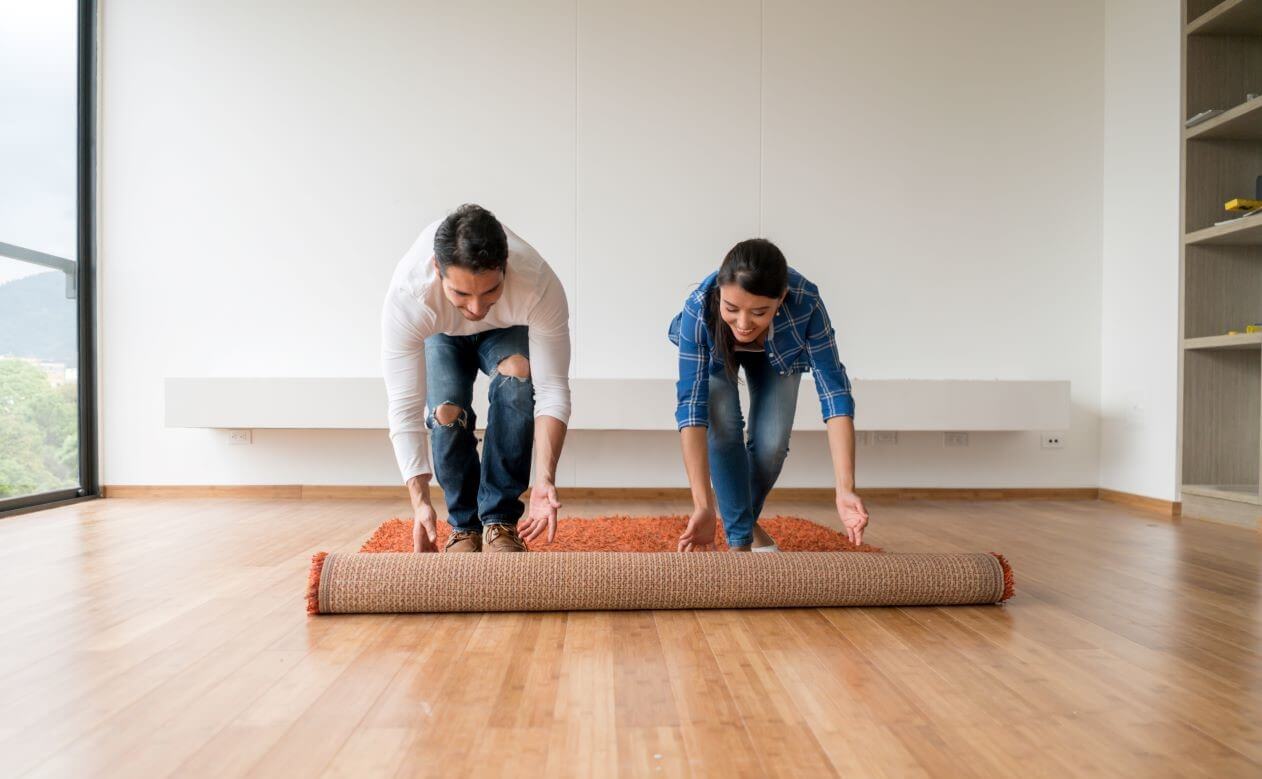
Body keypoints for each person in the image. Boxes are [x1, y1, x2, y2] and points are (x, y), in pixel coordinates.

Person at [382, 204, 570, 553]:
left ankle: (500, 521)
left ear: (505, 267)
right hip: (442, 332)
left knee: (517, 373)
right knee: (445, 411)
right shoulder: (411, 296)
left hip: (506, 328)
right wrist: (420, 502)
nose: (476, 309)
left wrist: (545, 480)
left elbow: (553, 389)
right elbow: (404, 408)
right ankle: (464, 526)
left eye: (489, 292)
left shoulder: (537, 283)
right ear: (437, 270)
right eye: (461, 294)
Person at [669, 238, 868, 552]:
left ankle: (739, 524)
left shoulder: (806, 302)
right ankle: (740, 542)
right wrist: (702, 506)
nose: (744, 324)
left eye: (759, 312)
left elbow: (835, 393)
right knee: (724, 429)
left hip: (779, 355)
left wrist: (845, 489)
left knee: (772, 445)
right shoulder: (699, 305)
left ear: (781, 299)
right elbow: (691, 408)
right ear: (720, 294)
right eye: (731, 309)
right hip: (716, 354)